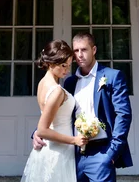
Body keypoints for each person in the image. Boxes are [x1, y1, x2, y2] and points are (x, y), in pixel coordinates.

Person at [34, 32, 132, 182]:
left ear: (94, 50)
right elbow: (57, 113)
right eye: (76, 50)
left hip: (102, 152)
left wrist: (112, 154)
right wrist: (37, 133)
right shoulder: (69, 82)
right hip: (73, 154)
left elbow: (123, 115)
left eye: (84, 50)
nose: (79, 55)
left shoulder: (112, 77)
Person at [21, 39, 88, 182]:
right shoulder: (56, 91)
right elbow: (43, 129)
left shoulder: (42, 84)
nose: (67, 70)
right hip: (59, 151)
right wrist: (74, 140)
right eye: (63, 65)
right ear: (51, 63)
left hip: (50, 148)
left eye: (69, 65)